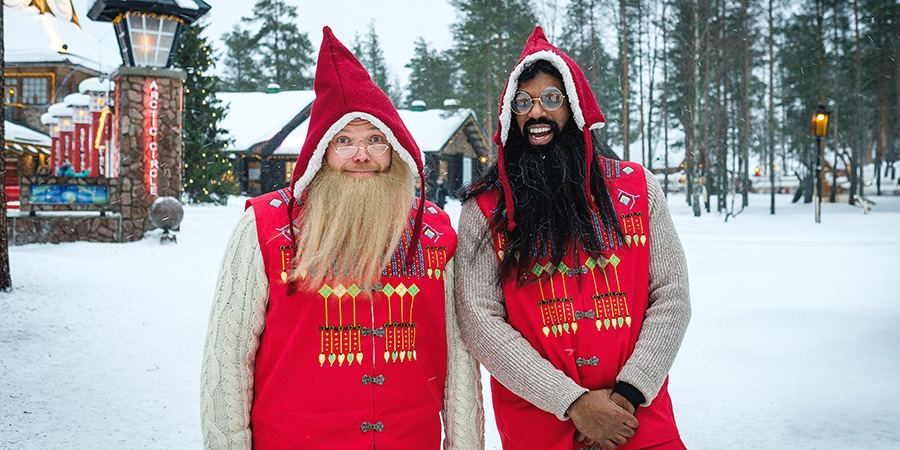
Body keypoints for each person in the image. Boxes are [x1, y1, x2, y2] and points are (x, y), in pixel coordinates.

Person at [201, 27, 483, 449]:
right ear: (321, 152)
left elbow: (459, 361)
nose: (361, 155)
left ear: (396, 151)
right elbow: (227, 358)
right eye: (344, 141)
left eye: (375, 140)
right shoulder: (264, 227)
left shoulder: (434, 232)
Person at [455, 27, 691, 450]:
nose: (536, 113)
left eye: (551, 98)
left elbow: (671, 296)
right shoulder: (485, 208)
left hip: (636, 422)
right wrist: (573, 403)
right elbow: (480, 322)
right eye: (523, 102)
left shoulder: (637, 188)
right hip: (539, 427)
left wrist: (628, 397)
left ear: (575, 107)